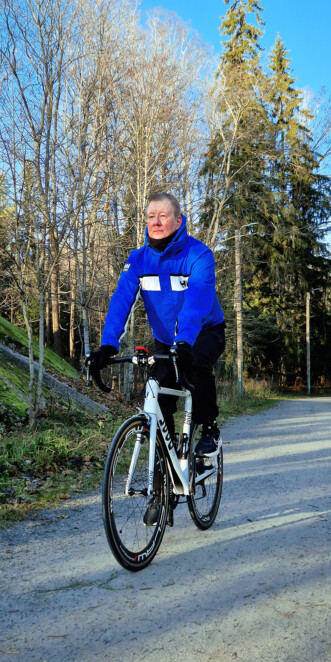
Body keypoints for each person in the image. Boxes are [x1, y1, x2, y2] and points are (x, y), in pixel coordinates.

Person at [88, 191, 226, 464]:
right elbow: (121, 301)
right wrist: (107, 345)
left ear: (178, 220)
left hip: (204, 331)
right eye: (151, 216)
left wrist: (185, 342)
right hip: (166, 338)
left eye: (163, 216)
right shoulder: (138, 259)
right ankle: (167, 462)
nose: (156, 222)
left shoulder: (199, 255)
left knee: (195, 365)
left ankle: (209, 428)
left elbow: (196, 304)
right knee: (157, 385)